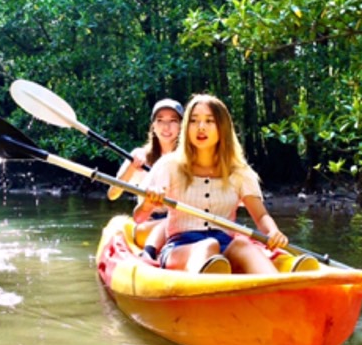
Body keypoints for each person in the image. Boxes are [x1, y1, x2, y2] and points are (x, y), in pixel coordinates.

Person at [135, 94, 290, 274]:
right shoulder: (169, 165)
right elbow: (138, 217)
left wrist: (273, 232)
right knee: (208, 245)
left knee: (242, 244)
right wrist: (148, 203)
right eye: (194, 121)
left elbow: (261, 216)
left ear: (222, 127)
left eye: (209, 121)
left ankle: (277, 287)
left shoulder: (239, 171)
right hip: (180, 248)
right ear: (187, 127)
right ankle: (203, 284)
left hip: (226, 247)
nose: (201, 127)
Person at [112, 97, 183, 256]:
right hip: (148, 225)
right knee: (177, 224)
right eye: (160, 120)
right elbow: (113, 194)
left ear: (181, 126)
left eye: (173, 120)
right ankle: (151, 251)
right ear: (153, 126)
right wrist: (131, 168)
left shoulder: (189, 160)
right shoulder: (139, 155)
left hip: (182, 222)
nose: (166, 127)